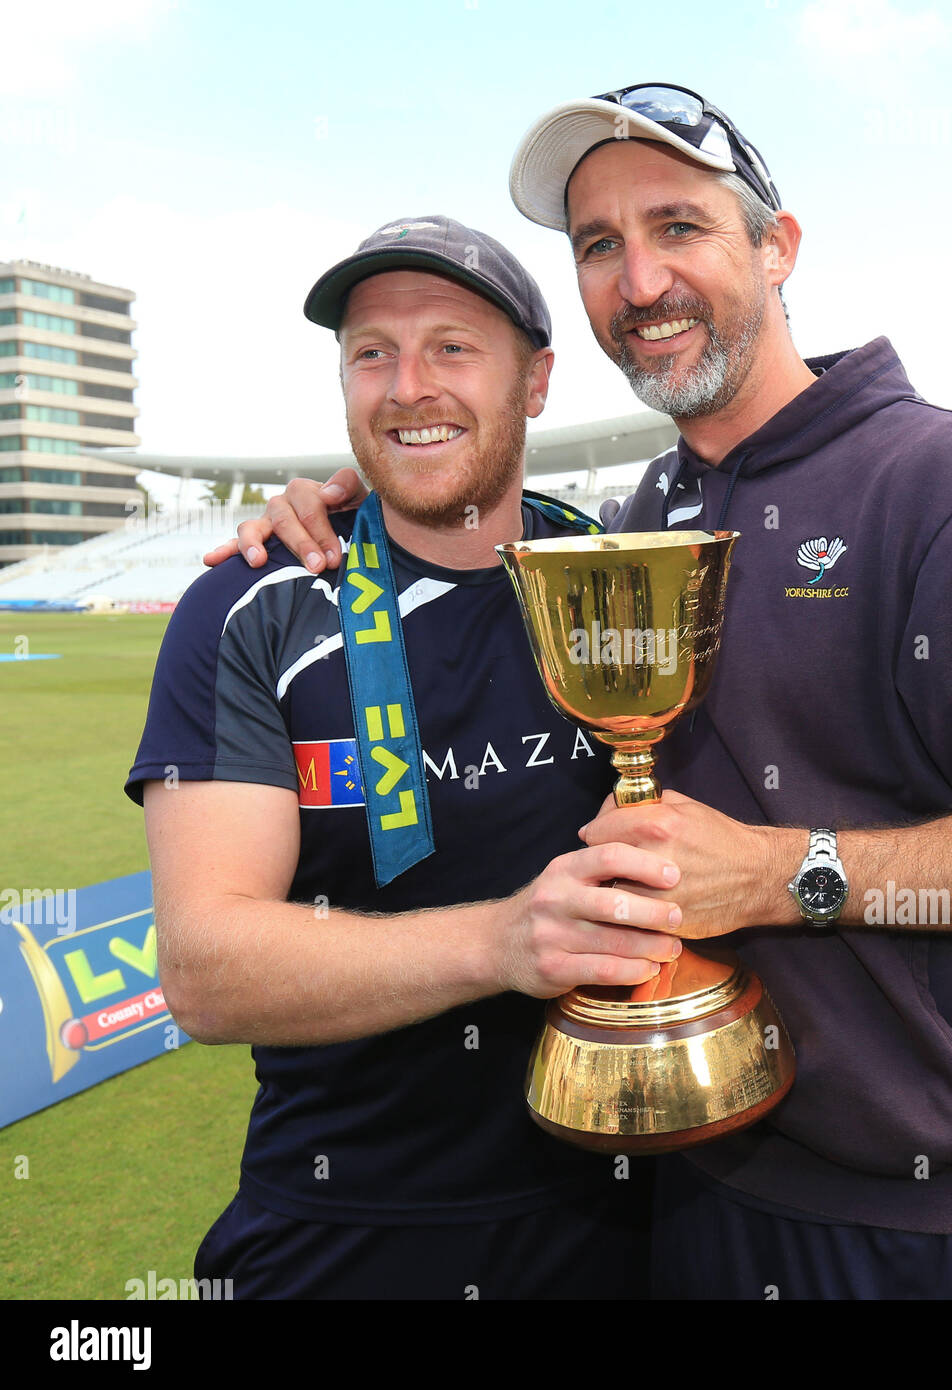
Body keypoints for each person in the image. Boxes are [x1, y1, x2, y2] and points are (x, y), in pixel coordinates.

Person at [214, 87, 952, 1300]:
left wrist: (786, 872)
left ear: (776, 249)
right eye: (598, 246)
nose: (640, 282)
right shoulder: (639, 518)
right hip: (686, 1186)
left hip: (927, 1223)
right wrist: (366, 504)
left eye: (678, 227)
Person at [126, 216, 692, 1299]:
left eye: (451, 347)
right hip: (345, 1229)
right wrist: (502, 941)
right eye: (371, 353)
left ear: (535, 382)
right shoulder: (248, 610)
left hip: (636, 1217)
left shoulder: (621, 586)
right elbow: (203, 969)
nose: (406, 385)